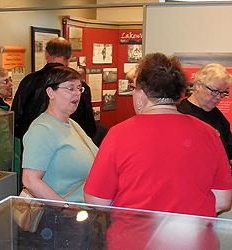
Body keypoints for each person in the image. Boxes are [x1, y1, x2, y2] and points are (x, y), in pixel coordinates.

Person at [84, 53, 232, 217]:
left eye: (134, 88)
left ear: (142, 94)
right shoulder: (209, 133)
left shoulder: (119, 134)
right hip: (193, 236)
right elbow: (223, 200)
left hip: (135, 235)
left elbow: (96, 200)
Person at [19, 66, 98, 248]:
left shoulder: (71, 124)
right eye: (70, 88)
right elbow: (30, 180)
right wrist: (66, 208)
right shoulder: (42, 129)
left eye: (79, 88)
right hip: (57, 221)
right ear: (50, 92)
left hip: (76, 218)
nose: (76, 94)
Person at [11, 37, 72, 140]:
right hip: (67, 141)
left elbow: (16, 116)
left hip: (32, 139)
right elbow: (88, 124)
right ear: (69, 57)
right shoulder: (78, 85)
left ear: (46, 54)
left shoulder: (29, 81)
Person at [177, 63, 232, 166]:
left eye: (222, 93)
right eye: (214, 91)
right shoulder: (178, 113)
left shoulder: (218, 117)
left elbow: (229, 151)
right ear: (198, 85)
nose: (218, 97)